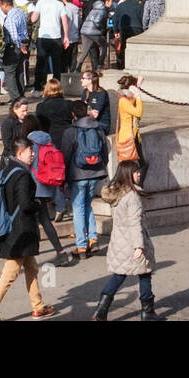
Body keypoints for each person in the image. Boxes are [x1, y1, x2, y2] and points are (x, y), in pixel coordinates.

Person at [0, 139, 57, 320]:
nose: (33, 154)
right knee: (9, 274)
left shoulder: (8, 169)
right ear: (19, 154)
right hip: (21, 231)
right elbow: (25, 204)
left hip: (14, 228)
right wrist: (38, 204)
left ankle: (38, 306)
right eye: (30, 151)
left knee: (31, 267)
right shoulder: (22, 175)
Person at [92, 159, 161, 321]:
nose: (139, 174)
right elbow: (134, 223)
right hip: (132, 241)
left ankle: (100, 311)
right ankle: (148, 312)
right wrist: (139, 246)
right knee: (144, 274)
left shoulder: (116, 193)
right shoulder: (132, 196)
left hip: (119, 241)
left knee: (119, 275)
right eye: (136, 172)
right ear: (129, 174)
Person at [61, 99, 108, 259]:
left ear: (73, 114)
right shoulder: (98, 128)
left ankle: (81, 245)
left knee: (79, 209)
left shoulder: (70, 131)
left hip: (77, 175)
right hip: (95, 173)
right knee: (88, 205)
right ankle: (93, 240)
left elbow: (66, 156)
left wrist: (64, 177)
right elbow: (105, 152)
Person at [25, 129, 76, 268]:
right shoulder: (49, 144)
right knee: (45, 220)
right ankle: (60, 252)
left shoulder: (32, 146)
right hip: (47, 187)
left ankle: (29, 254)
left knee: (33, 219)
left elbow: (27, 164)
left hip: (34, 187)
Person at [115, 75, 145, 165]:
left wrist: (138, 84)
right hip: (128, 137)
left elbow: (133, 102)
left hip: (134, 135)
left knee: (140, 164)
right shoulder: (123, 101)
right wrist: (139, 97)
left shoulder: (128, 98)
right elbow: (138, 112)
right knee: (130, 165)